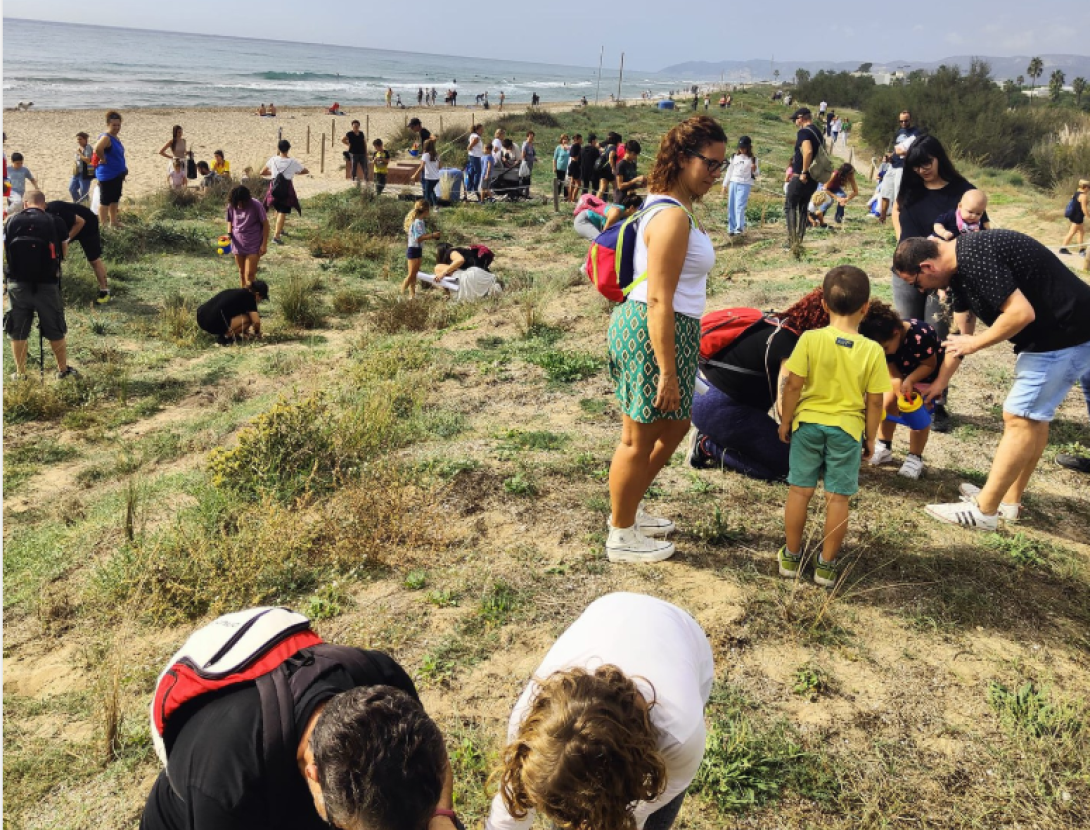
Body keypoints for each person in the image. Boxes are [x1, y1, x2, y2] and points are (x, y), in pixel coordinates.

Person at [139, 630, 460, 830]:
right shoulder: (227, 789)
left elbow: (435, 755)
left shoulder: (384, 682)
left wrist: (441, 814)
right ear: (315, 775)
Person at [892, 231, 1090, 530]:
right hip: (1060, 333)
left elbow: (1020, 313)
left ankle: (985, 510)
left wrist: (978, 342)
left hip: (1064, 333)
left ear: (927, 268)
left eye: (916, 284)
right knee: (1033, 419)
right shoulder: (957, 270)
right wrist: (940, 382)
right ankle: (1008, 501)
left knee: (1020, 417)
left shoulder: (974, 257)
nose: (920, 292)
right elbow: (961, 337)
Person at [486, 592, 713, 830]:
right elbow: (510, 812)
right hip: (610, 610)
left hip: (681, 633)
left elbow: (660, 795)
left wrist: (618, 822)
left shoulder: (680, 737)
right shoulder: (528, 727)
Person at [606, 116, 727, 563]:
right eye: (710, 164)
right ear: (681, 159)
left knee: (674, 425)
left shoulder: (667, 205)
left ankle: (628, 508)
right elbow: (659, 298)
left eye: (721, 165)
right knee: (638, 439)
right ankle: (621, 532)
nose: (716, 174)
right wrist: (669, 372)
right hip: (654, 327)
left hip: (668, 327)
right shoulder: (672, 216)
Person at [777, 267, 888, 587]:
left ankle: (792, 556)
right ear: (866, 307)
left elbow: (793, 386)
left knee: (800, 491)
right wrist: (871, 438)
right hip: (847, 432)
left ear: (823, 304)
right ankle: (826, 566)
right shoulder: (872, 351)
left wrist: (786, 420)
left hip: (808, 426)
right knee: (838, 499)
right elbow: (876, 402)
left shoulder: (810, 340)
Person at [890, 135, 986, 432]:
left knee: (938, 336)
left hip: (944, 277)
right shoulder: (911, 187)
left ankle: (937, 400)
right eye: (916, 166)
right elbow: (896, 211)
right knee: (906, 332)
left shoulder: (963, 191)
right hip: (906, 273)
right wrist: (900, 243)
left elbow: (980, 227)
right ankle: (908, 395)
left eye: (927, 163)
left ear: (939, 157)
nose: (922, 171)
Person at [688, 289, 830, 480]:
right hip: (717, 404)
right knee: (796, 468)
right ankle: (706, 445)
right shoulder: (791, 346)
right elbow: (785, 409)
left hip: (699, 387)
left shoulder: (778, 323)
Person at [858, 301, 955, 479]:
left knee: (918, 415)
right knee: (888, 404)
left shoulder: (920, 335)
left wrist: (911, 380)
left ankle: (914, 457)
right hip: (902, 375)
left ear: (896, 333)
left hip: (925, 376)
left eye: (885, 348)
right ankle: (884, 446)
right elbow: (891, 369)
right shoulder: (885, 344)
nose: (883, 353)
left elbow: (929, 364)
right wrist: (899, 387)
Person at [3, 191, 79, 380]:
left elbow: (7, 252)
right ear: (44, 204)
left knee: (17, 329)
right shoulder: (55, 221)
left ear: (26, 204)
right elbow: (64, 253)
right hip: (47, 283)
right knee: (55, 327)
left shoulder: (11, 222)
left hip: (17, 283)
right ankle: (62, 370)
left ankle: (21, 374)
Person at [45, 196, 112, 303]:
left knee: (93, 259)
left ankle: (105, 291)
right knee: (55, 256)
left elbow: (81, 222)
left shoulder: (54, 209)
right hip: (68, 227)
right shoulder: (39, 214)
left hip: (87, 224)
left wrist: (67, 240)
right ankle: (52, 290)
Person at [784, 107, 822, 247]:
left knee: (790, 206)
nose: (795, 122)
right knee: (803, 208)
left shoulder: (804, 132)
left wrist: (803, 172)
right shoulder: (817, 132)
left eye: (795, 119)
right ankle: (799, 239)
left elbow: (808, 151)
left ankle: (792, 240)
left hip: (802, 176)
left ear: (801, 117)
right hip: (814, 178)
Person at [260, 139, 308, 245]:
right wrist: (292, 172)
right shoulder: (292, 161)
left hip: (274, 186)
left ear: (278, 148)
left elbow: (262, 172)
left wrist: (273, 172)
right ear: (288, 149)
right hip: (286, 187)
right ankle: (276, 237)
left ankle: (280, 229)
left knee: (277, 207)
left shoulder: (273, 160)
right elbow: (305, 171)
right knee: (282, 210)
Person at [195, 280, 269, 346]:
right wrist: (257, 333)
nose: (260, 301)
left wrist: (245, 332)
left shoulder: (238, 292)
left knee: (243, 317)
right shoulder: (250, 297)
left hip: (201, 317)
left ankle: (233, 335)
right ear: (257, 294)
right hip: (212, 323)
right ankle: (225, 337)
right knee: (249, 319)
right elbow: (256, 322)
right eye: (261, 298)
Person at [878, 110, 919, 223]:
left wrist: (905, 154)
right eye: (901, 121)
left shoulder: (915, 132)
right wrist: (889, 156)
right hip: (893, 165)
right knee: (885, 190)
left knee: (898, 193)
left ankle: (900, 219)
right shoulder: (898, 132)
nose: (903, 123)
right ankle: (882, 217)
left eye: (906, 121)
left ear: (910, 120)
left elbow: (917, 150)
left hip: (903, 166)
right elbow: (895, 150)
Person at [225, 185, 269, 288]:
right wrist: (229, 234)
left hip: (253, 243)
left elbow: (266, 225)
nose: (239, 205)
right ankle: (243, 297)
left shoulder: (256, 205)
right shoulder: (231, 205)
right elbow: (229, 220)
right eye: (237, 203)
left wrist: (264, 244)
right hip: (237, 243)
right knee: (241, 273)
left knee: (250, 274)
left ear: (247, 199)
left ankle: (250, 299)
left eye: (242, 202)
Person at [93, 110, 127, 227]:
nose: (116, 127)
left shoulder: (115, 137)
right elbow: (97, 148)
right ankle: (103, 225)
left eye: (118, 125)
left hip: (117, 173)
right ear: (108, 124)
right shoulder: (106, 137)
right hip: (108, 175)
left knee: (115, 198)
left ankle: (114, 221)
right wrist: (102, 158)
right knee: (105, 201)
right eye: (114, 125)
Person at [401, 200, 440, 299]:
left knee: (414, 274)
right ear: (426, 210)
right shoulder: (418, 222)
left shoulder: (420, 221)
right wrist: (432, 235)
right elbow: (418, 238)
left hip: (417, 249)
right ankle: (401, 293)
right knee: (411, 274)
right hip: (414, 249)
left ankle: (412, 295)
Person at [723, 135, 758, 236]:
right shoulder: (734, 157)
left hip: (745, 183)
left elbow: (756, 174)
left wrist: (754, 169)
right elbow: (729, 171)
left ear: (748, 147)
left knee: (740, 206)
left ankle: (739, 228)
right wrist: (725, 184)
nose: (742, 149)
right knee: (731, 205)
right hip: (734, 182)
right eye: (740, 147)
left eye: (744, 147)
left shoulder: (753, 159)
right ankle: (731, 228)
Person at [573, 193, 643, 240]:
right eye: (639, 209)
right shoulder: (616, 212)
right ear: (632, 208)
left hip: (592, 222)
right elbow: (605, 235)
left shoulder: (624, 215)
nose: (640, 212)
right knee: (600, 240)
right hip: (584, 220)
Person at [1058, 179, 1088, 255]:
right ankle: (1063, 248)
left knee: (1081, 232)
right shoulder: (1083, 196)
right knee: (1072, 232)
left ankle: (1081, 249)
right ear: (1086, 187)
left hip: (1074, 215)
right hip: (1078, 217)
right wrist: (1089, 216)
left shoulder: (1077, 193)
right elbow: (1084, 209)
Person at [412, 138, 441, 207]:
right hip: (436, 177)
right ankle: (434, 206)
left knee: (427, 194)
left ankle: (427, 207)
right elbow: (440, 167)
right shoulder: (437, 155)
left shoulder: (425, 155)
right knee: (431, 191)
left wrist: (415, 174)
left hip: (429, 177)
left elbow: (421, 167)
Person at [69, 132, 95, 203]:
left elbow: (88, 160)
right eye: (77, 139)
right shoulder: (78, 148)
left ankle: (85, 206)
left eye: (80, 139)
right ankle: (78, 204)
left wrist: (80, 154)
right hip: (77, 172)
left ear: (85, 139)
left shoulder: (88, 148)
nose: (78, 141)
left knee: (84, 192)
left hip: (85, 173)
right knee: (72, 189)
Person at [466, 124, 485, 197]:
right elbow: (471, 145)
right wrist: (469, 147)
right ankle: (475, 188)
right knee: (478, 172)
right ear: (477, 130)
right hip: (475, 156)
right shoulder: (476, 137)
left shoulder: (473, 135)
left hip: (473, 156)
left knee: (472, 172)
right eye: (481, 130)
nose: (482, 131)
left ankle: (469, 188)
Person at [552, 134, 570, 199]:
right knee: (559, 182)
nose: (565, 140)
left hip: (567, 169)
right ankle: (557, 195)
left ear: (568, 140)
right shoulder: (558, 148)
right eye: (563, 139)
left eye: (566, 139)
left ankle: (566, 196)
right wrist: (554, 167)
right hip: (559, 168)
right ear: (561, 140)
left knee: (566, 182)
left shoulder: (569, 148)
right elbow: (554, 158)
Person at [519, 131, 536, 198]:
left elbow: (533, 154)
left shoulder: (531, 144)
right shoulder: (525, 144)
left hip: (530, 164)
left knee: (528, 179)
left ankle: (526, 193)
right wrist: (524, 163)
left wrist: (534, 158)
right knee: (525, 179)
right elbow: (523, 154)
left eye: (532, 137)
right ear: (527, 136)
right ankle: (521, 193)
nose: (531, 138)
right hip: (526, 164)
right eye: (530, 136)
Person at [566, 135, 583, 202]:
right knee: (578, 184)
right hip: (575, 165)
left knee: (572, 182)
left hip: (572, 165)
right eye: (581, 139)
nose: (582, 141)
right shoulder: (577, 146)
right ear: (577, 139)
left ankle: (570, 198)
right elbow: (575, 157)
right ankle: (573, 198)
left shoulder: (573, 146)